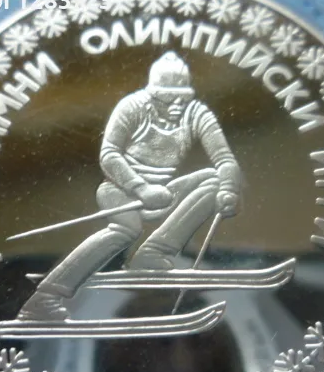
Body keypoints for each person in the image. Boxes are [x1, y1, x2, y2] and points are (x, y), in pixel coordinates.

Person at [18, 51, 241, 321]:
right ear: (153, 94)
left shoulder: (196, 112)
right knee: (125, 231)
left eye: (182, 99)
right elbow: (109, 154)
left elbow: (224, 158)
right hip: (121, 191)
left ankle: (152, 253)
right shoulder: (133, 106)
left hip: (164, 192)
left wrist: (229, 189)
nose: (176, 106)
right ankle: (44, 298)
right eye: (167, 99)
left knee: (213, 180)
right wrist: (140, 188)